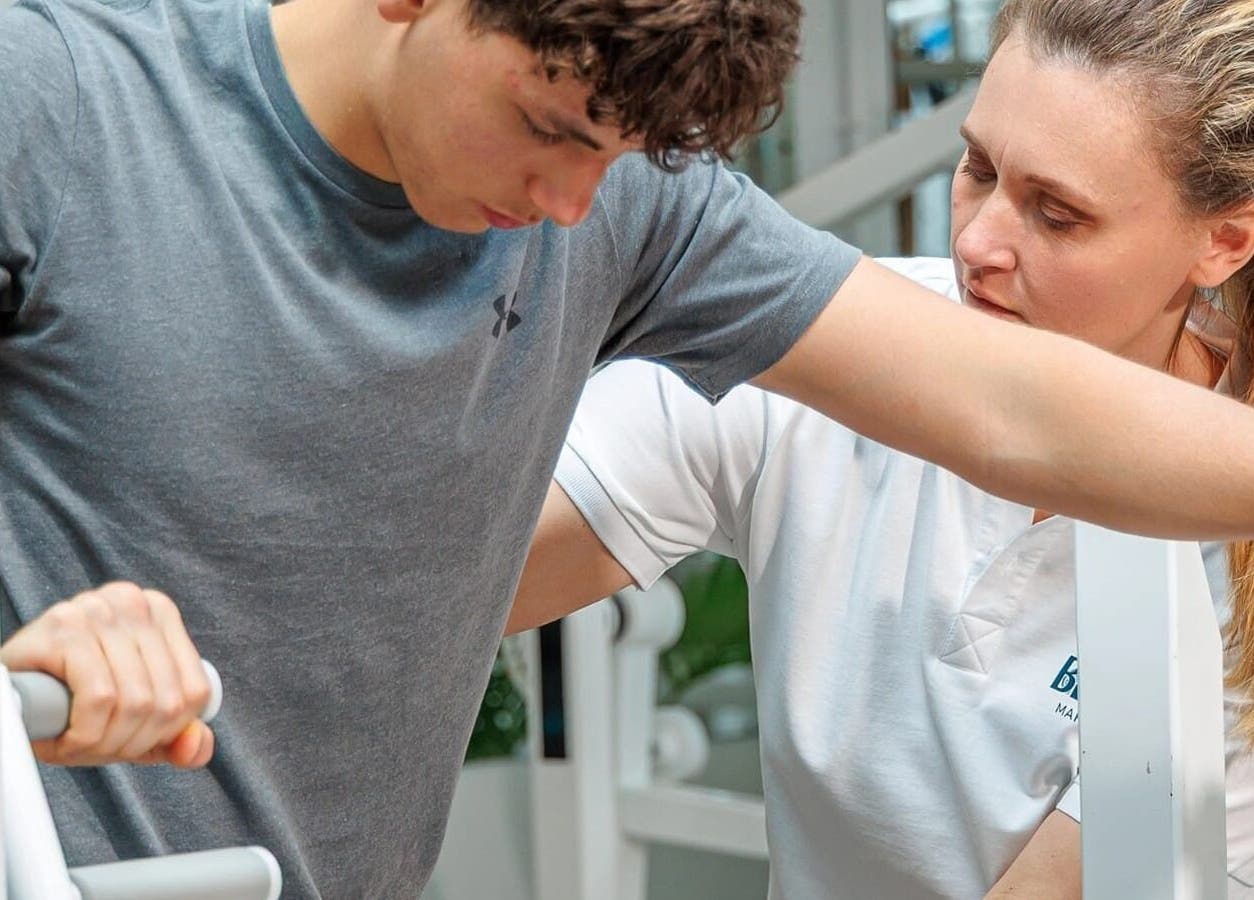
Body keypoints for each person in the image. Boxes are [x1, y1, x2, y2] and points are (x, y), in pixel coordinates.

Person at [5, 0, 1254, 895]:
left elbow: (1015, 415)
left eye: (1060, 212)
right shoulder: (54, 102)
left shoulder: (633, 209)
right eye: (548, 125)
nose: (568, 211)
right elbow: (373, 591)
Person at [507, 0, 1254, 896]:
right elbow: (451, 586)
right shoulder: (839, 353)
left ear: (1223, 241)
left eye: (1056, 215)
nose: (977, 243)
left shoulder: (1226, 548)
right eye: (977, 167)